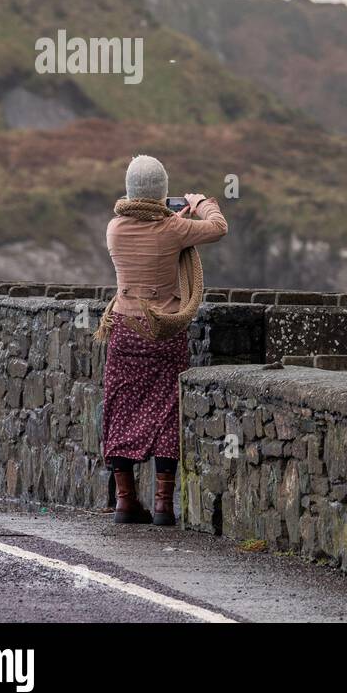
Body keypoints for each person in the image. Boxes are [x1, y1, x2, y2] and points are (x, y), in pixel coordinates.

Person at [96, 154, 227, 525]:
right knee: (168, 410)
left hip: (125, 330)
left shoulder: (115, 229)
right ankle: (163, 505)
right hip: (165, 333)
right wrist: (201, 203)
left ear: (129, 190)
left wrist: (173, 220)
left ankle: (124, 501)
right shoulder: (173, 229)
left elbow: (152, 237)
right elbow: (218, 228)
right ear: (161, 193)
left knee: (120, 408)